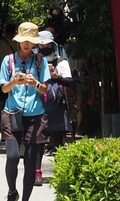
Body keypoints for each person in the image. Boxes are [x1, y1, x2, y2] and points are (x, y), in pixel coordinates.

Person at [0, 22, 51, 201]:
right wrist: (14, 81)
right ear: (18, 41)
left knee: (30, 162)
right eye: (24, 40)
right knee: (12, 156)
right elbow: (4, 89)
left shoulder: (40, 61)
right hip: (12, 113)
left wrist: (34, 83)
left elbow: (45, 89)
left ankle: (25, 199)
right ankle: (12, 191)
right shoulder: (9, 60)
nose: (27, 44)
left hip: (35, 115)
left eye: (30, 40)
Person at [34, 29, 74, 185]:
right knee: (39, 140)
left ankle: (60, 171)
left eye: (47, 44)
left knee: (58, 140)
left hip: (57, 104)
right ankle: (37, 172)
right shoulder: (34, 61)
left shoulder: (61, 62)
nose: (44, 47)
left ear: (52, 44)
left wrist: (57, 76)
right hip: (38, 104)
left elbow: (69, 82)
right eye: (41, 44)